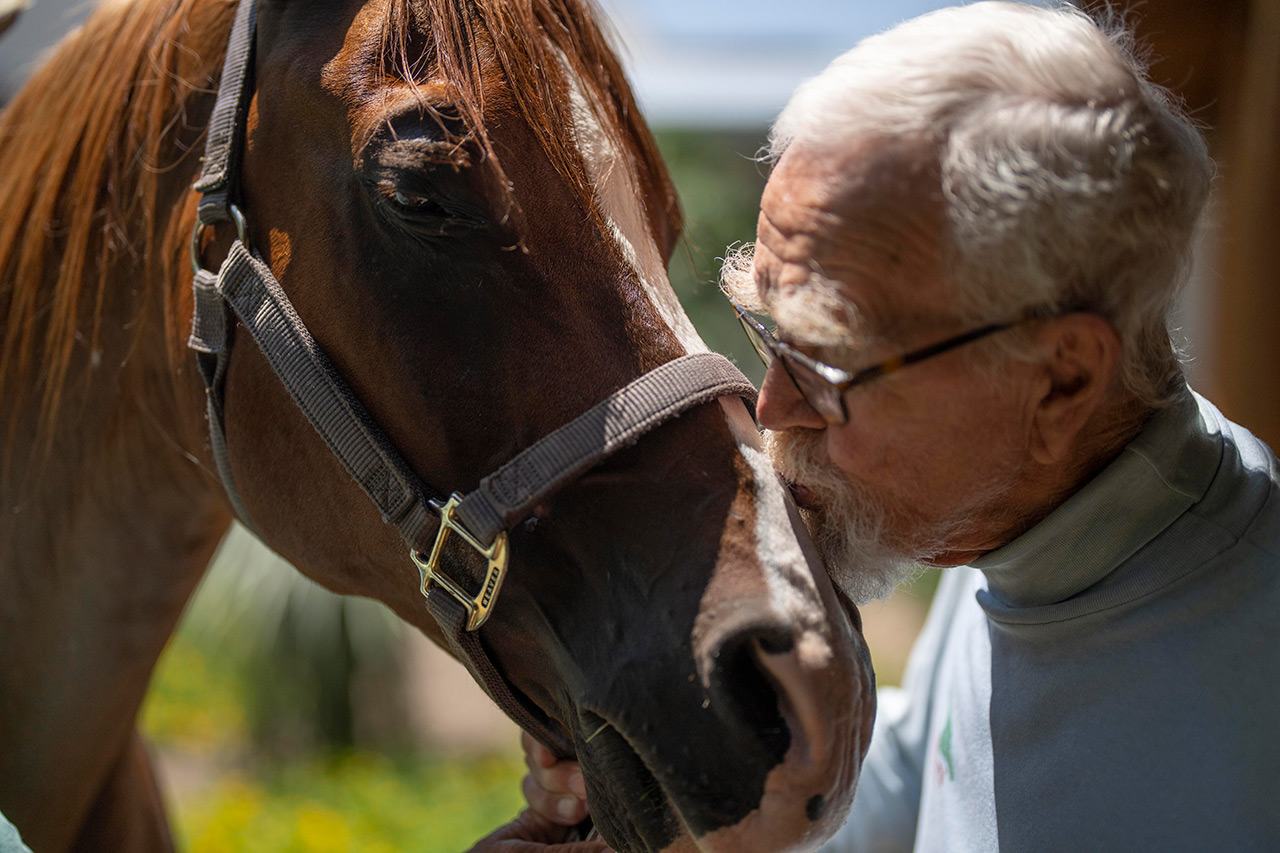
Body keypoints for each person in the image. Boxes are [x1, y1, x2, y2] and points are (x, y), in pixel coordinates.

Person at [516, 2, 1280, 851]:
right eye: (768, 334)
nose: (772, 406)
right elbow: (917, 798)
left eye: (830, 362)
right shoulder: (1022, 516)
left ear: (1062, 378)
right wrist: (681, 807)